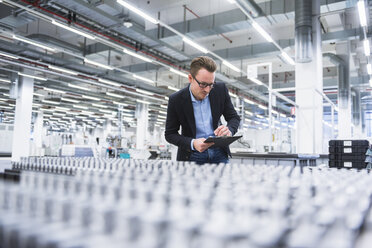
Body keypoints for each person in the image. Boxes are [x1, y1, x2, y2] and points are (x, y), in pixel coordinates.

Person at [165, 56, 240, 164]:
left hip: (220, 153)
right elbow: (170, 134)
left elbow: (234, 117)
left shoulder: (220, 90)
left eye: (211, 85)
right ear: (190, 78)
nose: (207, 90)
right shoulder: (176, 100)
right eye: (203, 84)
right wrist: (193, 143)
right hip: (192, 155)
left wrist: (229, 130)